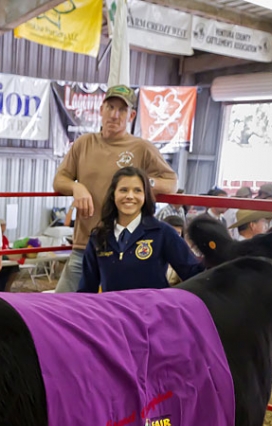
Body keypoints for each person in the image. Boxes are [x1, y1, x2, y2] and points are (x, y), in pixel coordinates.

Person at [52, 85, 178, 293]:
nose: (114, 114)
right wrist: (77, 187)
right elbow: (59, 179)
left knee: (119, 311)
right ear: (101, 110)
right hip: (85, 245)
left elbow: (171, 181)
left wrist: (143, 184)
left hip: (124, 250)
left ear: (132, 116)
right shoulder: (84, 144)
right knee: (59, 308)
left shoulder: (142, 148)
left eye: (122, 110)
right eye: (110, 107)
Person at [77, 167, 201, 293]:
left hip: (152, 311)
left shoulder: (163, 233)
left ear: (145, 196)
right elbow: (86, 289)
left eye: (137, 191)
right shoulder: (98, 237)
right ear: (113, 195)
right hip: (113, 311)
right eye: (123, 190)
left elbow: (194, 274)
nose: (130, 196)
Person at [0, 220, 21, 292]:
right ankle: (1, 289)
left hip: (6, 262)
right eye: (2, 226)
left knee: (15, 267)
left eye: (4, 226)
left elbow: (7, 248)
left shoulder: (4, 238)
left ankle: (7, 287)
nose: (4, 228)